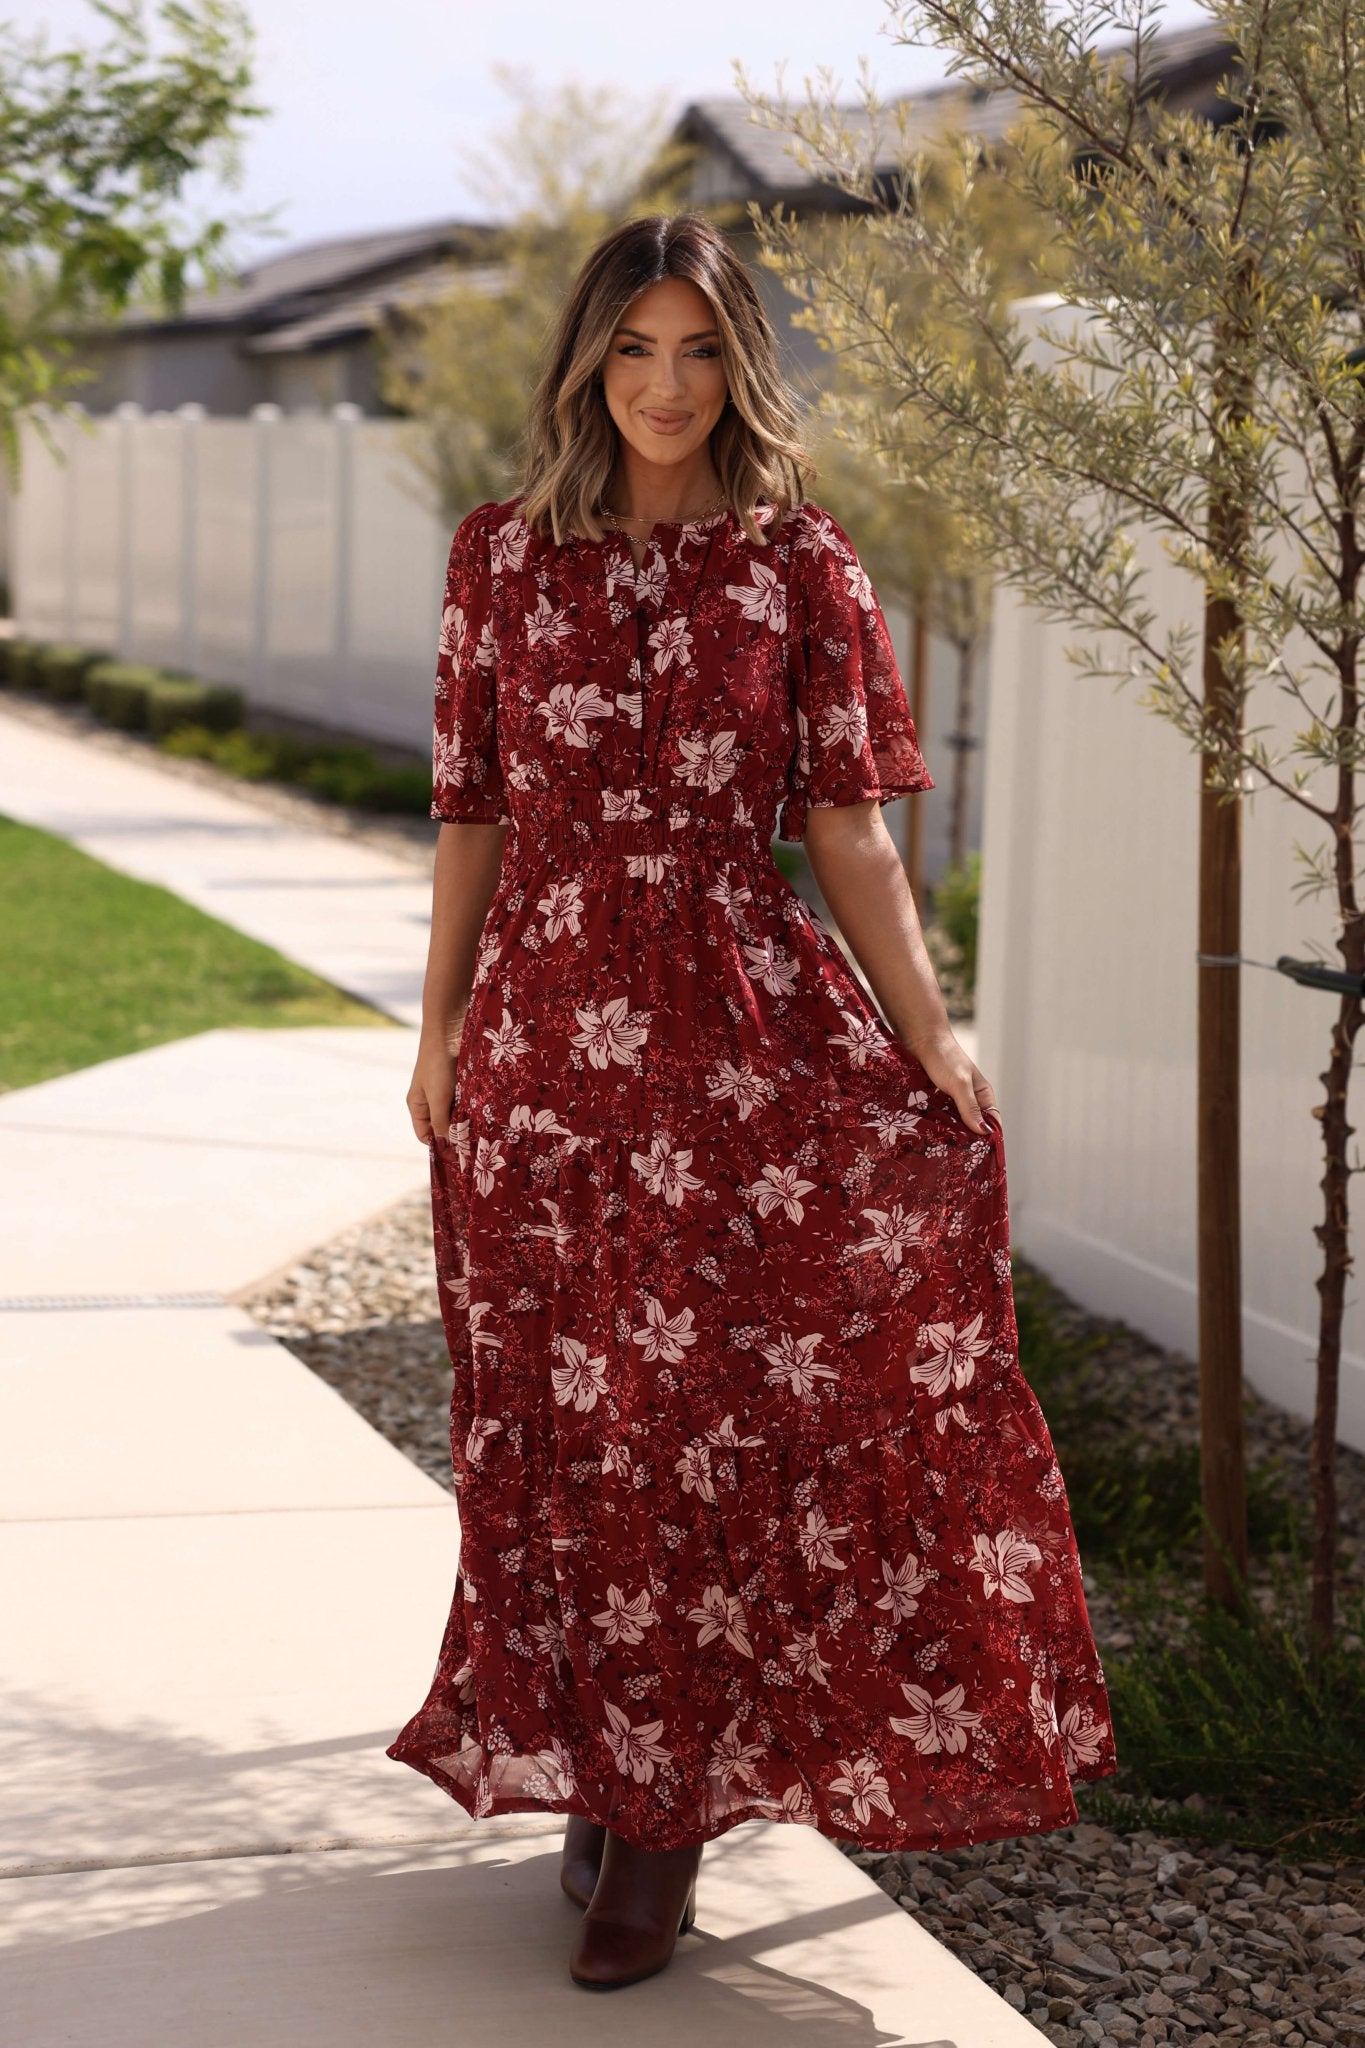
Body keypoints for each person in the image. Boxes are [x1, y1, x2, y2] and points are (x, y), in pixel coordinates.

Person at [386, 211, 1115, 1991]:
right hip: (552, 1043)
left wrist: (926, 1034)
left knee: (703, 1407)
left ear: (740, 364)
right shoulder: (503, 560)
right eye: (631, 349)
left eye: (696, 349)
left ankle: (662, 1827)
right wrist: (439, 1031)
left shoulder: (795, 564)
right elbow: (472, 808)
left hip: (730, 1032)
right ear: (585, 361)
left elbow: (849, 827)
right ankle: (616, 1752)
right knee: (573, 1416)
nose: (661, 385)